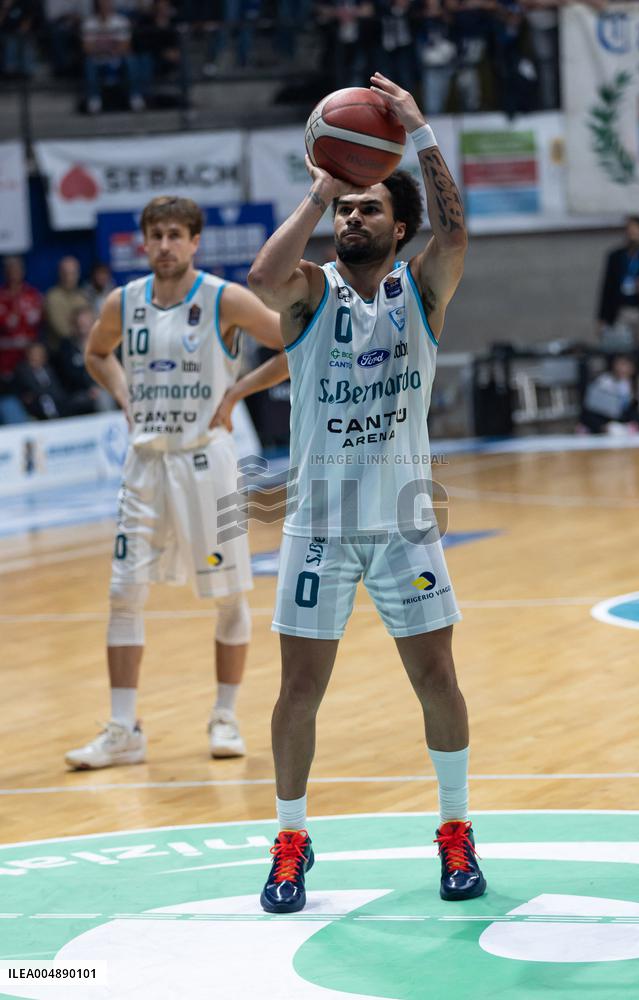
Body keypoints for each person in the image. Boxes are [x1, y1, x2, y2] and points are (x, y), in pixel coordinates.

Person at [248, 72, 486, 913]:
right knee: (298, 692)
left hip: (403, 525)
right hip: (318, 526)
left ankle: (455, 829)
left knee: (437, 679)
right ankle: (290, 840)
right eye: (347, 211)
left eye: (368, 208)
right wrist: (322, 186)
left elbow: (456, 235)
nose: (353, 218)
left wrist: (418, 132)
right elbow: (264, 274)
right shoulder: (309, 294)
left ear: (398, 226)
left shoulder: (421, 290)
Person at [65, 195, 289, 770]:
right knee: (123, 593)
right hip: (145, 465)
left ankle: (225, 716)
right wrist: (123, 394)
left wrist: (238, 392)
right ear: (143, 243)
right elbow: (97, 354)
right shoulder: (123, 302)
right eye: (156, 235)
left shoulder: (223, 297)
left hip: (206, 461)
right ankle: (123, 730)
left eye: (175, 235)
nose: (164, 245)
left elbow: (297, 341)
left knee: (229, 595)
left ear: (194, 242)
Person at [597, 216, 639, 347]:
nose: (633, 235)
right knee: (621, 350)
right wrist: (602, 318)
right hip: (621, 310)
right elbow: (607, 288)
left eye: (636, 231)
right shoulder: (615, 256)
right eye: (630, 231)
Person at [81, 0, 144, 113]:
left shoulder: (121, 21)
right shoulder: (89, 23)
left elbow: (126, 45)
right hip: (98, 58)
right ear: (97, 5)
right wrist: (102, 51)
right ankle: (94, 99)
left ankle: (135, 96)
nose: (104, 6)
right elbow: (87, 48)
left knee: (131, 60)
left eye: (107, 3)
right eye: (102, 4)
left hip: (117, 57)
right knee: (89, 62)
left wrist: (111, 51)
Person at [0, 256, 42, 425]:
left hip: (29, 358)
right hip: (6, 362)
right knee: (10, 398)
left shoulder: (32, 294)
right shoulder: (2, 296)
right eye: (11, 270)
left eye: (17, 270)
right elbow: (6, 324)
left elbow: (36, 322)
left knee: (34, 392)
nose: (14, 274)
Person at [580, 353, 639, 435]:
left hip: (631, 416)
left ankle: (626, 427)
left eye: (625, 365)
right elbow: (594, 403)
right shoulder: (605, 379)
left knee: (634, 412)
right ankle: (608, 428)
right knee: (588, 415)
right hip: (608, 415)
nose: (621, 368)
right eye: (619, 364)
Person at [44, 256, 91, 351]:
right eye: (65, 273)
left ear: (78, 274)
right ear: (59, 274)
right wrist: (82, 330)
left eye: (72, 273)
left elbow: (90, 323)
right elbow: (61, 329)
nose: (69, 277)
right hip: (59, 350)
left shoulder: (82, 295)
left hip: (82, 347)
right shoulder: (52, 296)